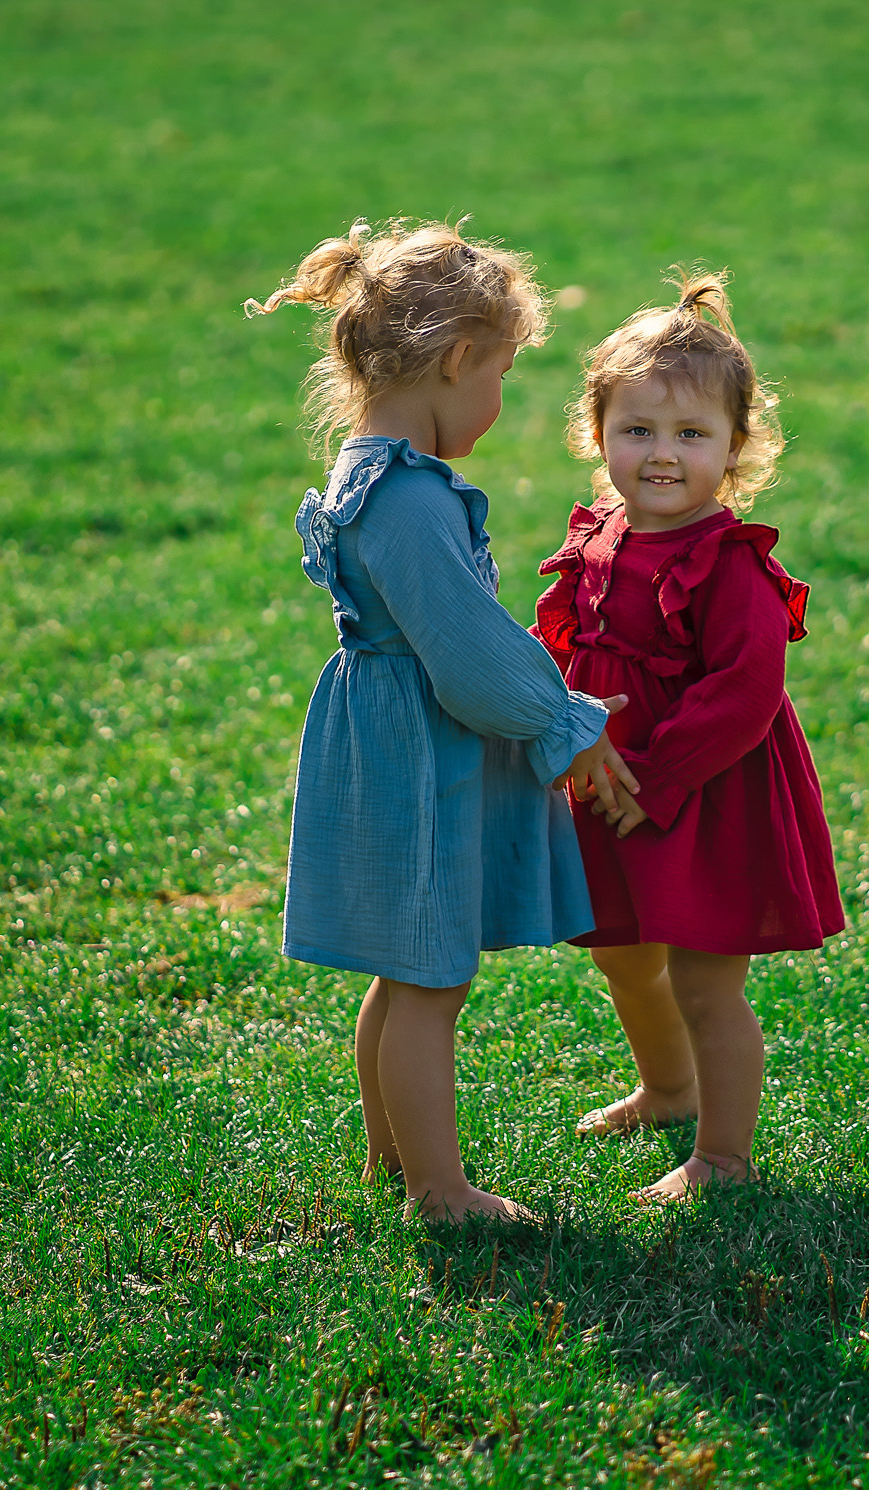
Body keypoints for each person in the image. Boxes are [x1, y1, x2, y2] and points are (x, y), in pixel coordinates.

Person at [248, 220, 638, 1222]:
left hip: (378, 730)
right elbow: (467, 653)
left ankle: (393, 1161)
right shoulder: (409, 498)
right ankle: (439, 1188)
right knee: (430, 979)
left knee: (402, 969)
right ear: (458, 360)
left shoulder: (364, 469)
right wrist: (560, 718)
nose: (499, 401)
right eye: (500, 374)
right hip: (417, 749)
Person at [533, 272, 845, 1202]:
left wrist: (657, 780)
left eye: (691, 435)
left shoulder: (731, 565)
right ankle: (665, 1091)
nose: (661, 455)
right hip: (610, 783)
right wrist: (561, 739)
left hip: (706, 795)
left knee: (708, 984)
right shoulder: (598, 540)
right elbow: (566, 652)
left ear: (738, 447)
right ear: (598, 435)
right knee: (621, 953)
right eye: (638, 430)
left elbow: (744, 697)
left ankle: (725, 1156)